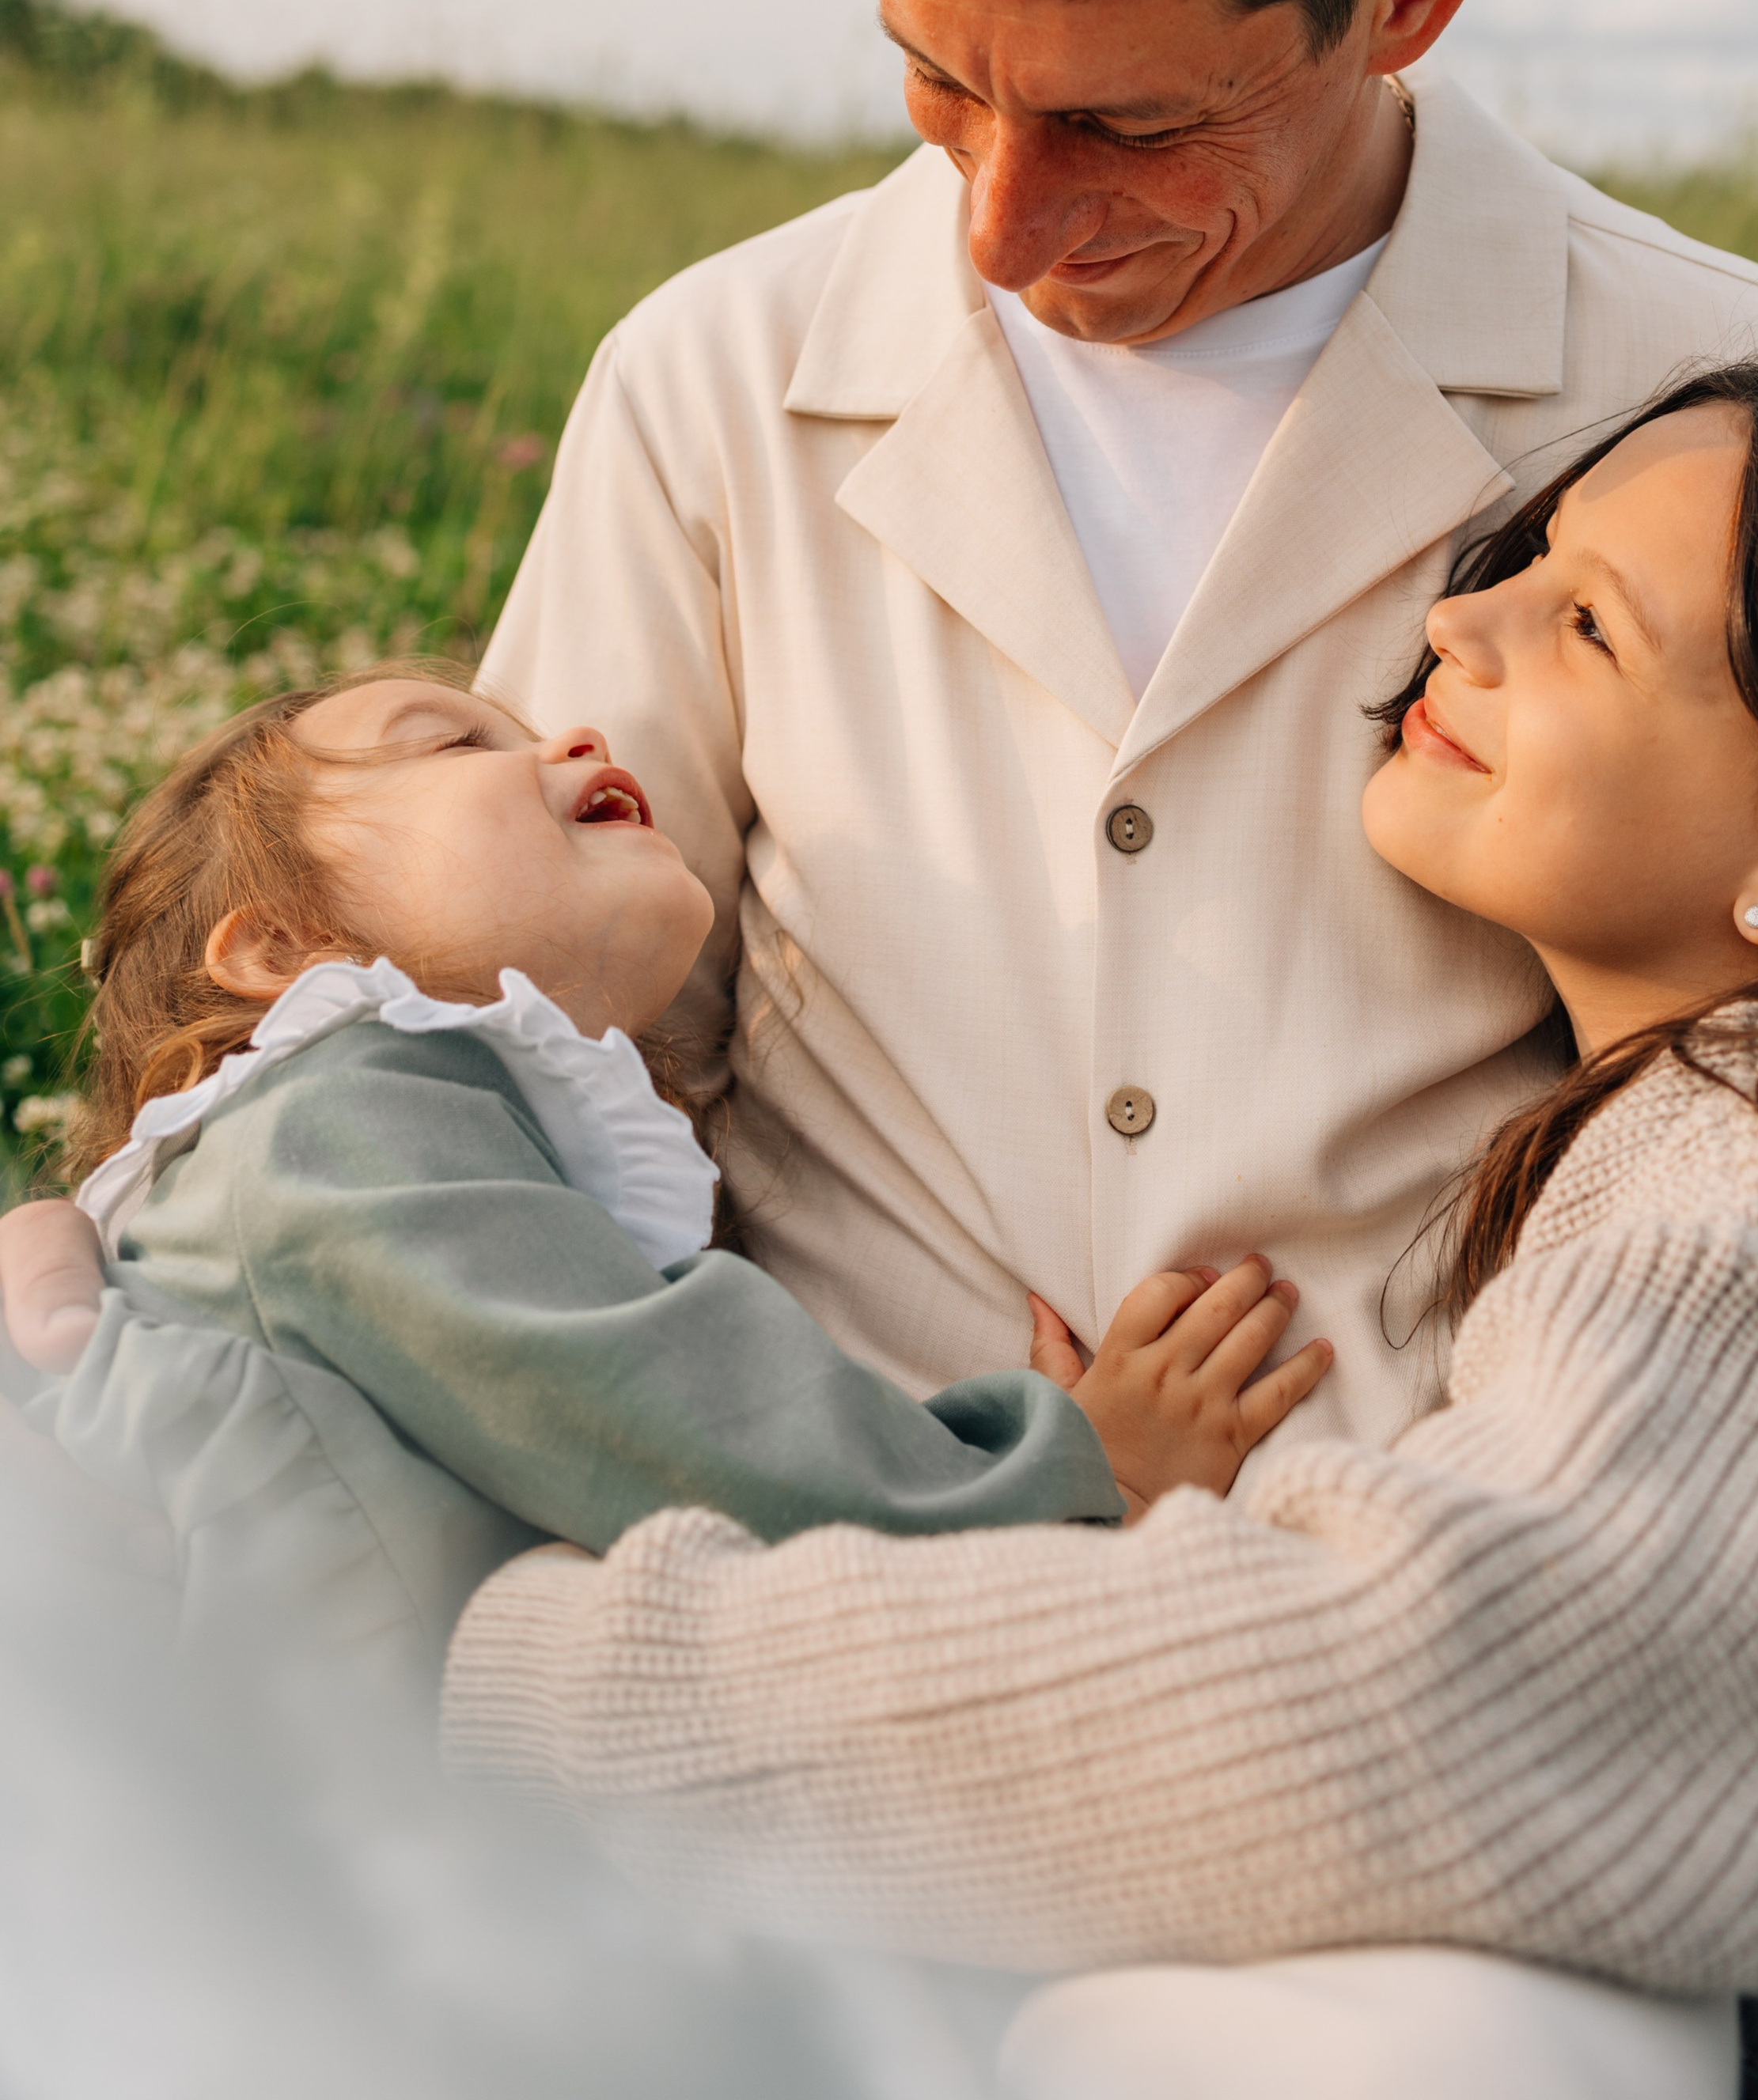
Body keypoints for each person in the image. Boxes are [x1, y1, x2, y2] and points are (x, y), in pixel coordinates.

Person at [468, 0, 1758, 2087]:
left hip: (1427, 1834)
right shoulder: (709, 374)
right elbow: (509, 1039)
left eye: (1130, 125)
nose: (1002, 233)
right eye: (931, 89)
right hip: (804, 1662)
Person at [445, 358, 1758, 2098]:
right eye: (1533, 557)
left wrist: (538, 1677)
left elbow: (1444, 1709)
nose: (1466, 618)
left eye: (1586, 630)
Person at [0, 665, 1324, 1690]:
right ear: (287, 948)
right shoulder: (330, 1118)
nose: (567, 739)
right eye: (456, 743)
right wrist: (1056, 1469)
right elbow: (658, 1406)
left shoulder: (394, 1137)